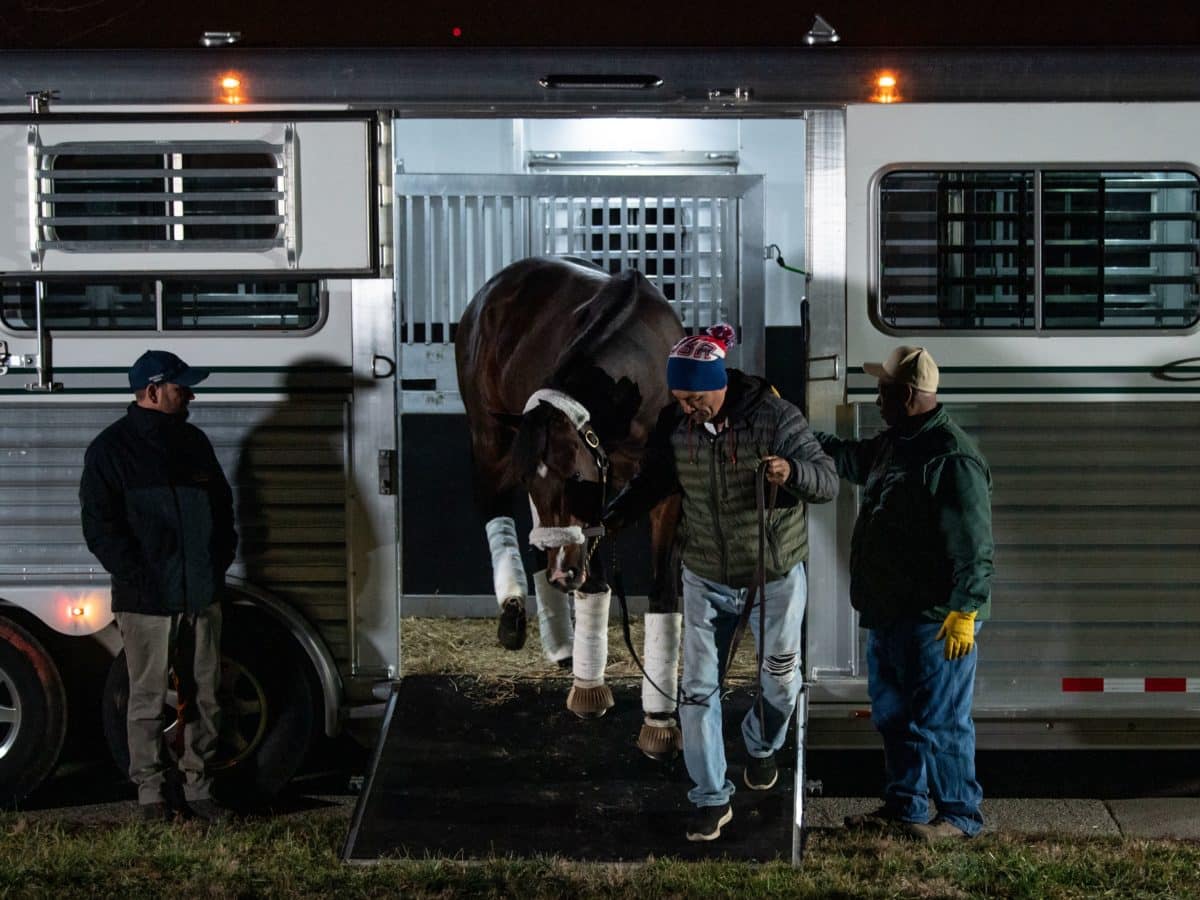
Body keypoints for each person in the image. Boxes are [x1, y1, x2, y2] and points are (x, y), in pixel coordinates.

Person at [603, 324, 838, 842]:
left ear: (717, 384)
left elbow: (827, 480)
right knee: (697, 689)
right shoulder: (675, 425)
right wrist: (613, 519)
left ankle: (760, 742)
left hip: (773, 575)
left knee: (781, 680)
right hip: (706, 576)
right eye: (681, 399)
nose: (689, 408)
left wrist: (793, 471)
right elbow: (653, 483)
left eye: (695, 398)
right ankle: (711, 798)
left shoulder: (776, 418)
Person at [816, 346, 993, 842]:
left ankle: (960, 816)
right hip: (891, 614)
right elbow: (847, 458)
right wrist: (789, 429)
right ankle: (907, 808)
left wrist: (966, 610)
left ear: (908, 395)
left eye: (884, 391)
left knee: (941, 722)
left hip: (935, 620)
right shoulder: (897, 443)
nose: (877, 398)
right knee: (896, 717)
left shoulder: (952, 458)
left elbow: (975, 548)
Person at [80, 350, 237, 823]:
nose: (189, 394)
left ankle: (199, 788)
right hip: (148, 603)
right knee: (147, 700)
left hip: (200, 596)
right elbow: (100, 528)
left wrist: (215, 565)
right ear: (152, 391)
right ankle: (151, 794)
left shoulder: (194, 442)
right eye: (179, 386)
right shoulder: (110, 450)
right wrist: (140, 579)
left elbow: (222, 511)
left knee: (206, 696)